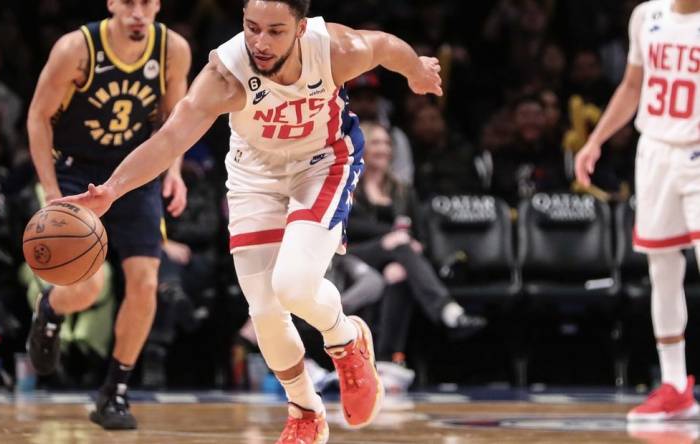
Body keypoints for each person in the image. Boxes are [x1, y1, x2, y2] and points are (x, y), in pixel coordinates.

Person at [59, 0, 443, 441]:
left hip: (323, 162)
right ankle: (305, 410)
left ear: (301, 28)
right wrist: (112, 189)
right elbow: (169, 140)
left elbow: (386, 46)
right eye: (251, 28)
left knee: (294, 285)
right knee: (263, 308)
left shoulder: (336, 48)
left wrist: (415, 69)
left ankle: (345, 339)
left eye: (275, 31)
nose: (259, 42)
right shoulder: (226, 74)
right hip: (254, 175)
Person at [25, 0, 191, 430]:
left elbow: (177, 120)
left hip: (134, 172)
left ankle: (113, 392)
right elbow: (39, 117)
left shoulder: (173, 49)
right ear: (112, 3)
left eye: (147, 2)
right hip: (76, 169)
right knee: (87, 287)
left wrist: (173, 170)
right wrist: (51, 190)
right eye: (129, 2)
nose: (138, 11)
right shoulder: (76, 49)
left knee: (146, 282)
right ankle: (50, 310)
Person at [574, 0, 700, 422]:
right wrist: (596, 140)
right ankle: (675, 384)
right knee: (662, 269)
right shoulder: (647, 15)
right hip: (656, 152)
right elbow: (632, 86)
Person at [349, 122, 486, 366]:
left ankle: (385, 359)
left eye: (387, 144)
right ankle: (446, 310)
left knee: (398, 272)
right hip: (353, 256)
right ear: (363, 146)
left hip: (398, 259)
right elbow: (349, 228)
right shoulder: (349, 186)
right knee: (399, 244)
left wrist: (408, 244)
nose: (384, 149)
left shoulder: (403, 191)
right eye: (377, 143)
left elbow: (420, 237)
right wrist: (389, 237)